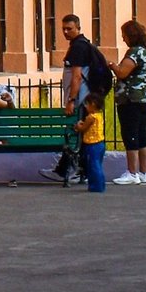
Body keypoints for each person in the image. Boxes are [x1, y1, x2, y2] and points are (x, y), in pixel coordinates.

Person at [42, 14, 100, 184]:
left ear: (78, 28)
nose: (66, 32)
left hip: (79, 100)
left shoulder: (79, 47)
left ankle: (70, 171)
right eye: (63, 29)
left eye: (70, 29)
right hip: (81, 98)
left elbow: (77, 76)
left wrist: (71, 100)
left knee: (75, 135)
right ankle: (74, 171)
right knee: (78, 136)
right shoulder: (79, 45)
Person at [111, 20, 146, 184]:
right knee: (142, 136)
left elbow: (123, 73)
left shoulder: (135, 52)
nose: (123, 39)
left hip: (131, 99)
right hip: (144, 98)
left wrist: (112, 65)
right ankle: (144, 173)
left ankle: (132, 173)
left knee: (130, 135)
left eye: (124, 35)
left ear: (131, 36)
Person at [78, 88, 107, 194]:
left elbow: (83, 128)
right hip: (100, 144)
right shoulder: (99, 116)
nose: (85, 106)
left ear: (93, 104)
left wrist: (78, 126)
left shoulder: (91, 117)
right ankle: (99, 184)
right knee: (97, 164)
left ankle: (96, 186)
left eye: (87, 104)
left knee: (93, 165)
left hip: (92, 144)